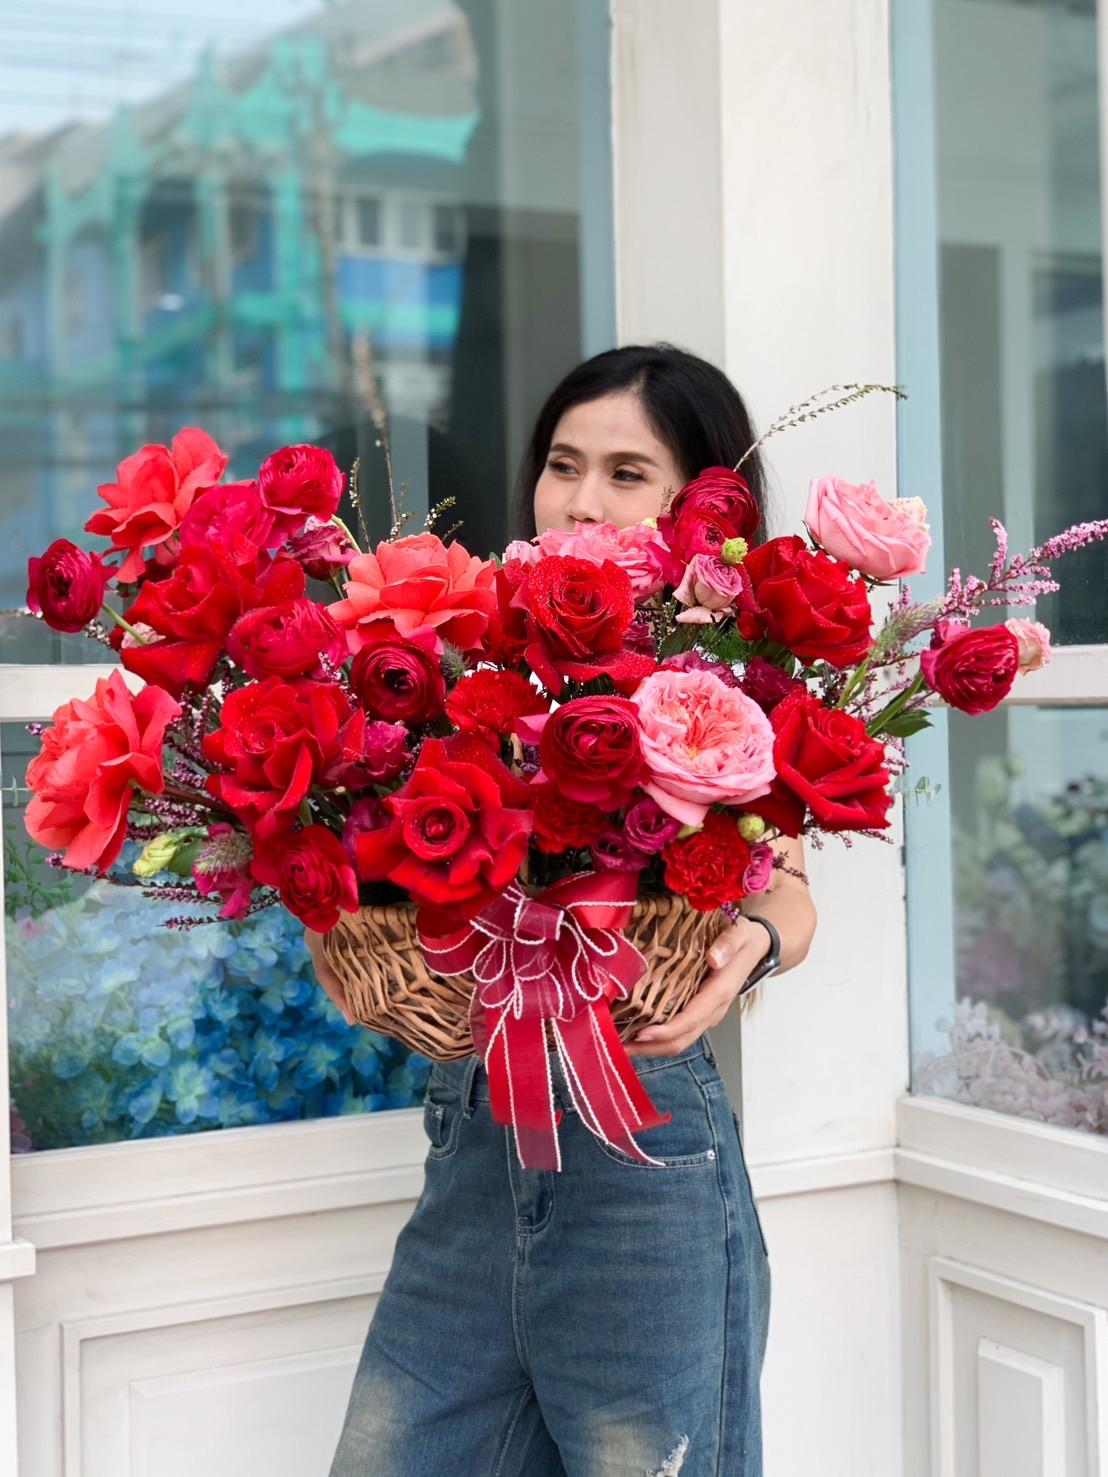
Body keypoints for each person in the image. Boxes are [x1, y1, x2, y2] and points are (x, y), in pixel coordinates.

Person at [308, 343, 818, 1476]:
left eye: (627, 471)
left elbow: (784, 881)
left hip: (642, 1152)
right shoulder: (462, 646)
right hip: (471, 1147)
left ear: (700, 502)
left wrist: (754, 946)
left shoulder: (727, 679)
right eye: (562, 463)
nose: (581, 499)